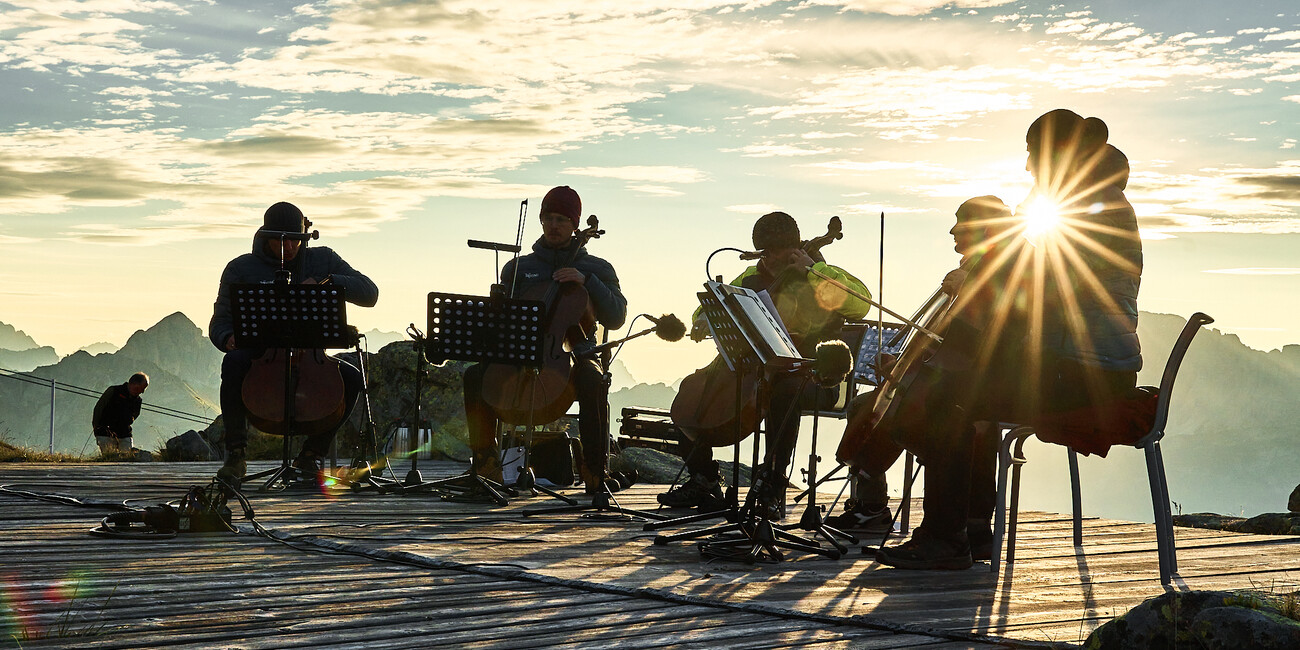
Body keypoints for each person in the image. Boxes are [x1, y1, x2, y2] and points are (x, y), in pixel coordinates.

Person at [874, 109, 1142, 570]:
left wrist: (979, 284)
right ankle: (971, 529)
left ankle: (947, 537)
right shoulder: (1087, 197)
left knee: (945, 401)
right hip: (1080, 362)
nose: (1027, 168)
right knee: (960, 396)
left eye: (1033, 155)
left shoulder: (1093, 205)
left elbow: (1052, 288)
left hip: (1086, 371)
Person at [657, 211, 871, 519]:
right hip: (755, 372)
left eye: (779, 251)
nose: (771, 259)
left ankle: (773, 485)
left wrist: (814, 270)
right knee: (692, 389)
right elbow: (710, 303)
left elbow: (860, 303)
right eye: (765, 252)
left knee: (784, 391)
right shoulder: (749, 277)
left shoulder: (820, 272)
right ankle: (703, 478)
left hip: (811, 375)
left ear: (797, 246)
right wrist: (702, 319)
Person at [827, 196, 1014, 536]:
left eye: (961, 223)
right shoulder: (978, 271)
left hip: (986, 381)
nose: (952, 230)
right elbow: (946, 342)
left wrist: (913, 368)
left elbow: (975, 342)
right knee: (866, 405)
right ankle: (873, 507)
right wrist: (903, 363)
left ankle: (958, 525)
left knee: (926, 416)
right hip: (967, 376)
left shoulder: (996, 274)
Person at [461, 186, 628, 495]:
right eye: (548, 218)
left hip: (574, 353)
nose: (553, 225)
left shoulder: (597, 268)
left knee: (593, 380)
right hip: (518, 351)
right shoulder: (519, 268)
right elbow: (500, 322)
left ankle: (594, 469)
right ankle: (484, 461)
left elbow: (617, 316)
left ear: (575, 225)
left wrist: (586, 280)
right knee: (474, 376)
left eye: (562, 219)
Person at [211, 202, 379, 484]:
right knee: (233, 363)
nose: (288, 248)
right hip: (259, 353)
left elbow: (370, 293)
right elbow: (220, 321)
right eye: (280, 240)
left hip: (311, 355)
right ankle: (236, 454)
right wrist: (227, 338)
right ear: (264, 236)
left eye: (295, 241)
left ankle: (311, 454)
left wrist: (328, 280)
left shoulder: (324, 259)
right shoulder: (241, 268)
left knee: (351, 378)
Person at [92, 372, 149, 453]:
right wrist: (97, 429)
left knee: (126, 459)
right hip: (105, 433)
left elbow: (135, 415)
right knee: (110, 459)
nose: (142, 391)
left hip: (125, 434)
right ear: (133, 384)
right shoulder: (113, 391)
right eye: (141, 388)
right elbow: (98, 409)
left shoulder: (138, 400)